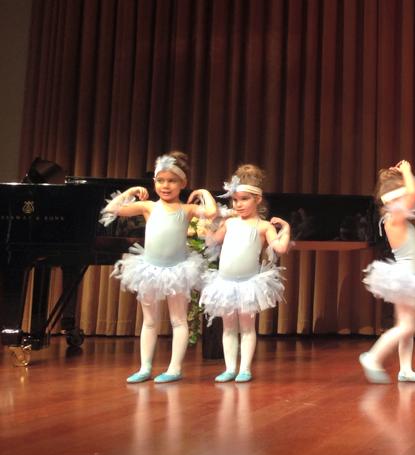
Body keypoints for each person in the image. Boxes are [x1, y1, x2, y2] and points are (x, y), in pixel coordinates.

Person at [101, 152, 217, 383]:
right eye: (161, 180)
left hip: (178, 270)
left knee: (178, 320)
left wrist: (203, 192)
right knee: (150, 321)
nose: (166, 185)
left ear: (182, 183)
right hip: (150, 269)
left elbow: (212, 213)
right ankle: (145, 367)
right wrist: (130, 191)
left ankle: (174, 368)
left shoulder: (187, 209)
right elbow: (113, 210)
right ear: (154, 182)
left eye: (172, 180)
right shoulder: (149, 207)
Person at [199, 164, 291, 383]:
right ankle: (230, 368)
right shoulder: (229, 223)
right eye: (235, 200)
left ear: (257, 199)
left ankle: (245, 369)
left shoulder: (264, 226)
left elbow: (280, 248)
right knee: (229, 327)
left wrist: (286, 229)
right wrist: (208, 222)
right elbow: (211, 241)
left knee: (248, 327)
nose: (238, 204)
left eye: (244, 199)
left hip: (249, 284)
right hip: (225, 282)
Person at [359, 160, 415, 384]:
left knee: (407, 325)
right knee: (405, 326)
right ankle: (373, 357)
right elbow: (413, 194)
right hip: (406, 279)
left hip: (406, 278)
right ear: (394, 200)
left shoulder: (394, 217)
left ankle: (406, 370)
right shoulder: (395, 218)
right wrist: (406, 171)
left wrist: (405, 177)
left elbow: (411, 194)